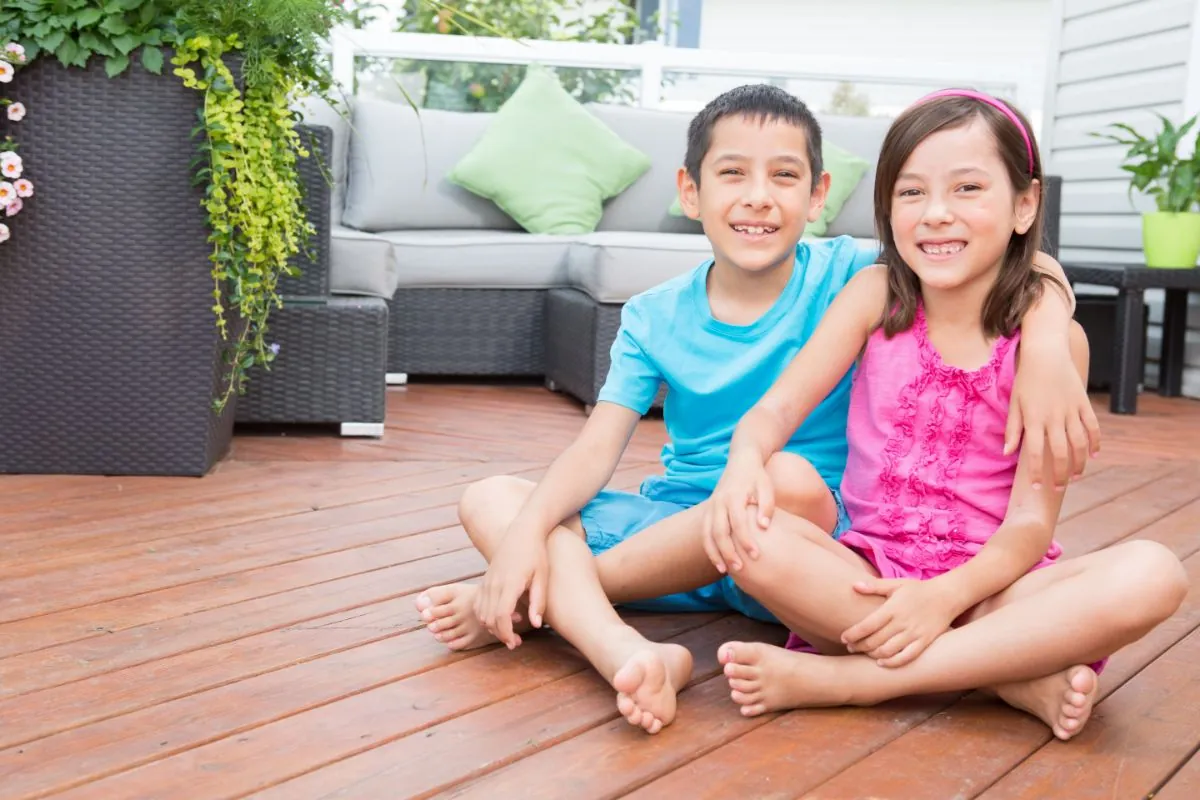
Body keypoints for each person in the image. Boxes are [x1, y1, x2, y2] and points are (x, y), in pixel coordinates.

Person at [416, 84, 1097, 734]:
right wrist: (527, 534)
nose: (758, 200)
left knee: (785, 482)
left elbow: (1012, 259)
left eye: (784, 177)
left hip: (795, 533)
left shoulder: (854, 274)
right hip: (675, 535)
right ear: (691, 191)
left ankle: (547, 605)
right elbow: (595, 452)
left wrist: (1044, 336)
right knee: (494, 500)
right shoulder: (653, 315)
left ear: (819, 196)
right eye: (733, 174)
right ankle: (623, 649)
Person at [709, 89, 1188, 741]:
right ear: (887, 207)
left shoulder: (1052, 350)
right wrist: (742, 464)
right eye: (911, 194)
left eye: (968, 189)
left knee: (1152, 574)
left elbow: (1027, 523)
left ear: (1025, 205)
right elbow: (773, 412)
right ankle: (1007, 673)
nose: (936, 215)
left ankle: (856, 679)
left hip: (994, 586)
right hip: (867, 575)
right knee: (748, 531)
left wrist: (944, 597)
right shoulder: (874, 296)